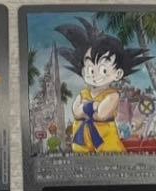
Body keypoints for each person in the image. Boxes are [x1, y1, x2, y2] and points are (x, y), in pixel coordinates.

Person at [57, 17, 150, 154]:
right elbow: (76, 112)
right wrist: (93, 107)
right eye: (90, 69)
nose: (95, 75)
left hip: (106, 141)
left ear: (118, 73)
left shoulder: (113, 95)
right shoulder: (83, 93)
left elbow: (101, 115)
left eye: (104, 70)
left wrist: (85, 108)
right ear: (83, 70)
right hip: (82, 141)